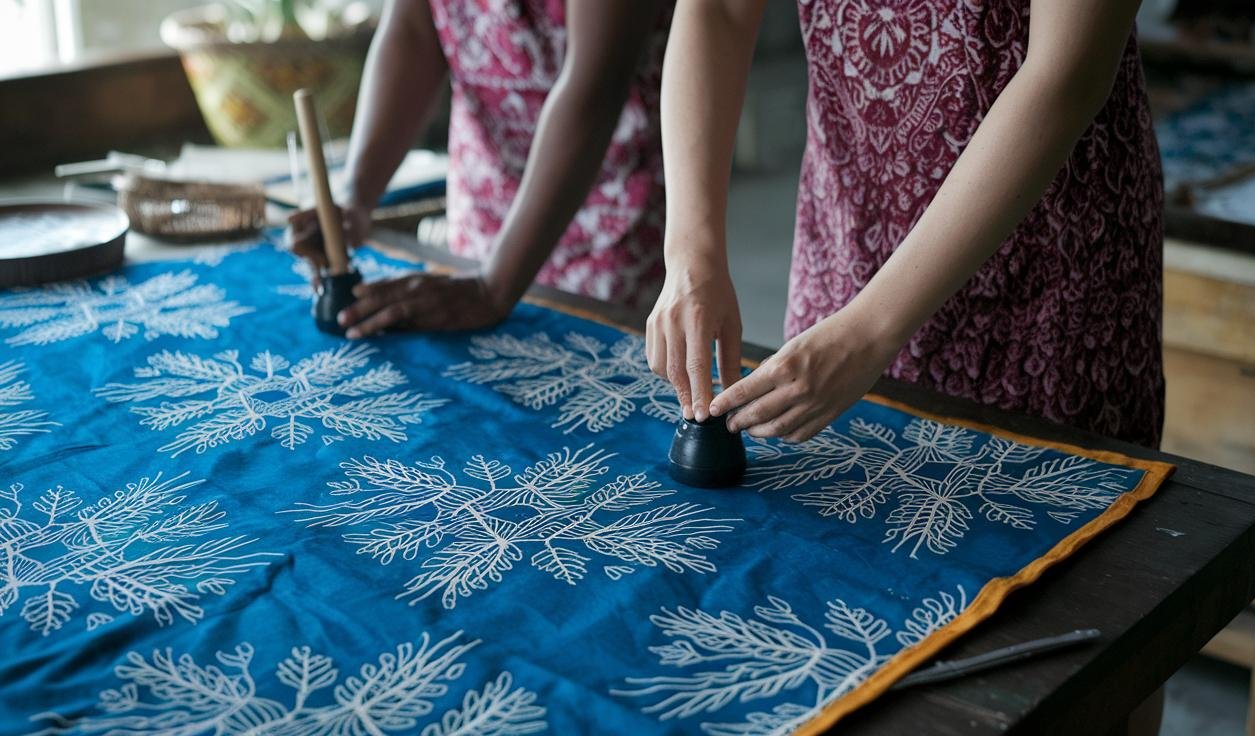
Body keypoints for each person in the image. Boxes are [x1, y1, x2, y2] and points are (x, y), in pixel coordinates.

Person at [647, 1, 1165, 731]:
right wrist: (690, 251)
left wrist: (872, 330)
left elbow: (1068, 68)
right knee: (839, 610)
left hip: (1050, 271)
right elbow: (721, 10)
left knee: (1075, 630)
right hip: (849, 238)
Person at [290, 0, 670, 336]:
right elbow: (412, 33)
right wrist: (357, 195)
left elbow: (596, 85)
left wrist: (493, 287)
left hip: (609, 211)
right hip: (485, 198)